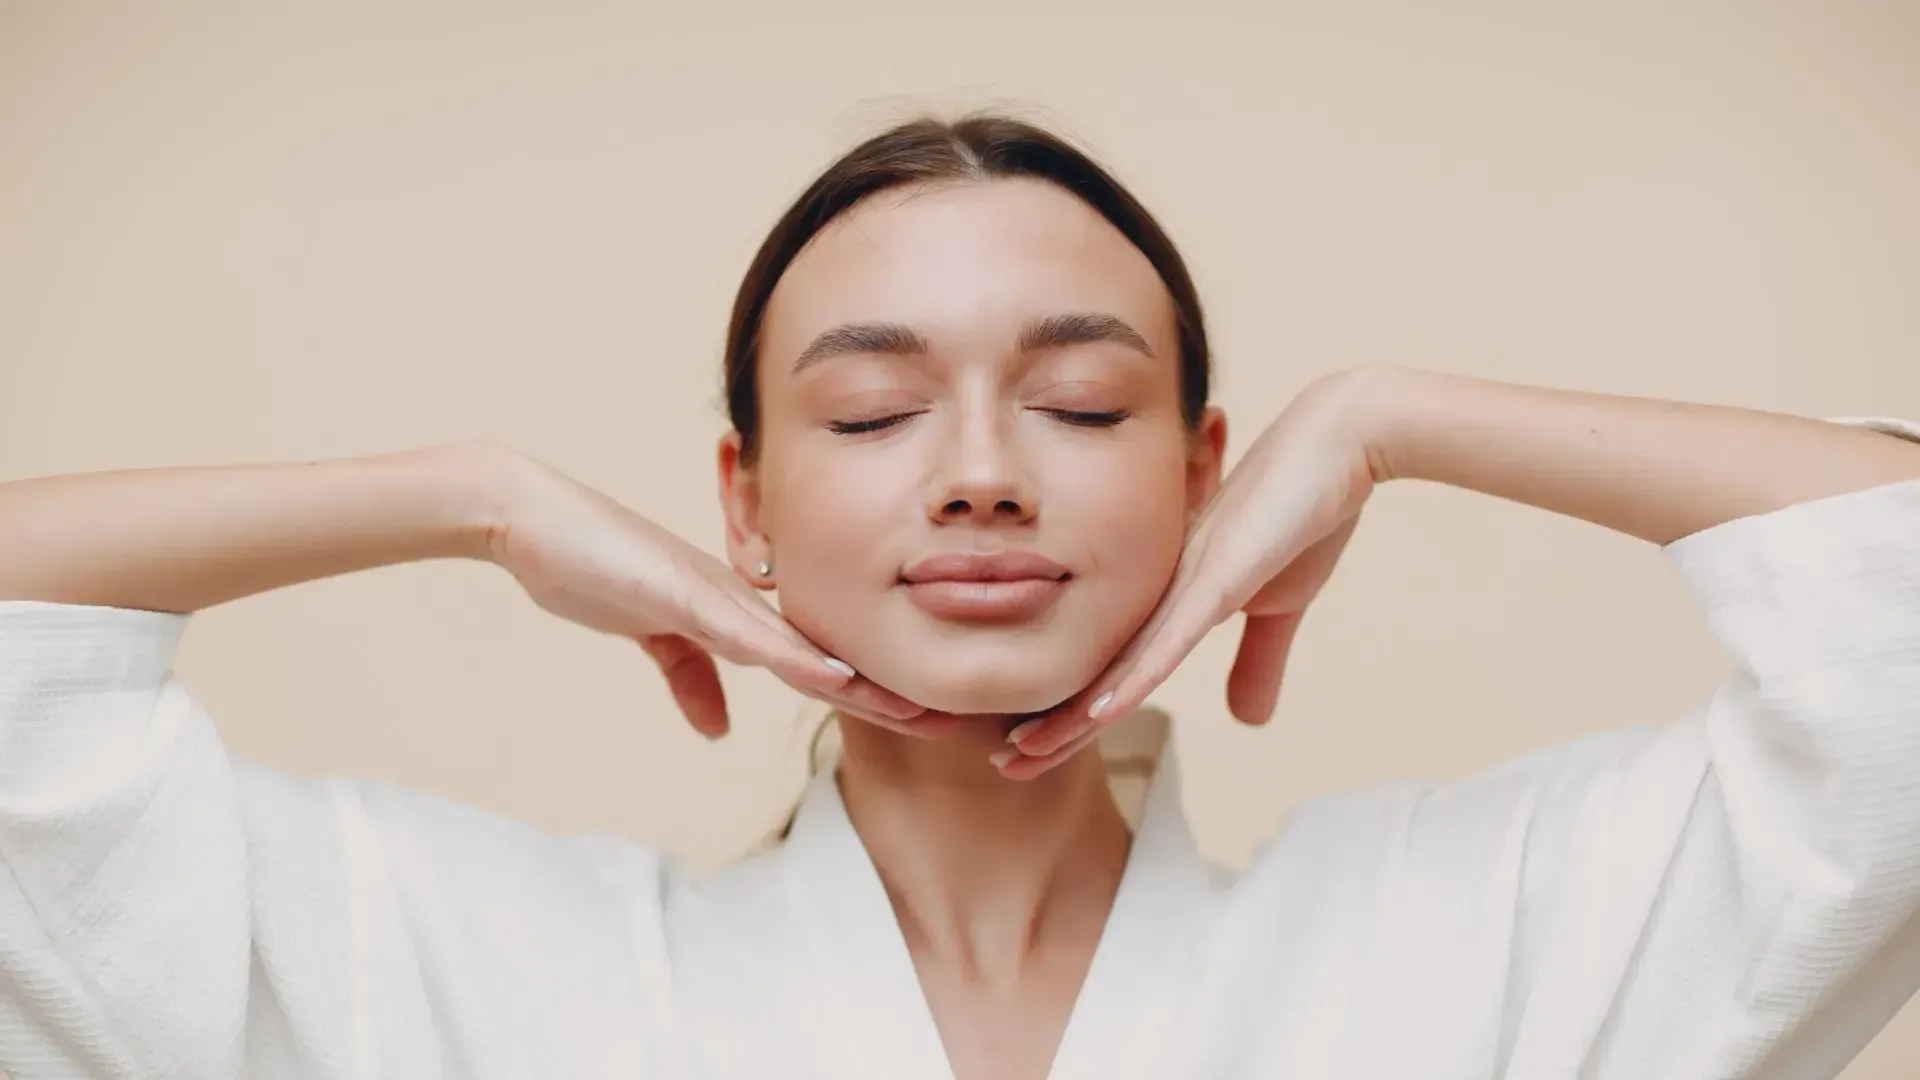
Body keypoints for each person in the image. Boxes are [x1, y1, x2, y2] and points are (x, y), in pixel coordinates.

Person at [1, 114, 1917, 1080]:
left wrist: (1398, 422)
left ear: (1206, 474)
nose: (983, 465)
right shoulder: (458, 963)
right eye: (874, 405)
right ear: (741, 496)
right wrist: (470, 500)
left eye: (1083, 401)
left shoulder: (1471, 937)